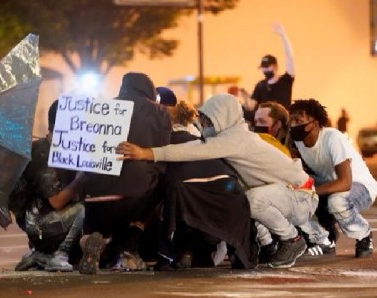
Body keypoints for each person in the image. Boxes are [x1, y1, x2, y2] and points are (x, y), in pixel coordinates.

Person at [118, 93, 318, 269]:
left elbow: (191, 150)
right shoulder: (233, 137)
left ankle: (292, 239)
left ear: (225, 118)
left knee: (251, 200)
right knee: (244, 198)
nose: (204, 125)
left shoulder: (235, 140)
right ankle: (268, 246)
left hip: (300, 195)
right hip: (288, 194)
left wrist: (146, 153)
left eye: (209, 120)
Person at [78, 72, 172, 274]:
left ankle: (93, 240)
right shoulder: (159, 112)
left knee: (100, 225)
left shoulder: (101, 109)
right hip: (135, 195)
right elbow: (162, 153)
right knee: (161, 187)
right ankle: (129, 249)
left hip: (95, 196)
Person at [155, 100, 255, 270]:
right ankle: (237, 253)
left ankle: (183, 252)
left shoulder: (162, 142)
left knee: (176, 207)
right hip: (228, 191)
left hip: (188, 193)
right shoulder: (205, 142)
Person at [288, 99, 377, 258]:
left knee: (336, 202)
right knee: (288, 193)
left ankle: (364, 235)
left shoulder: (332, 137)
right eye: (292, 120)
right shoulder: (297, 141)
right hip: (329, 184)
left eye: (299, 121)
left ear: (314, 123)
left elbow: (345, 182)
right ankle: (324, 240)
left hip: (359, 186)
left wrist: (311, 191)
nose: (293, 124)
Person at [9, 100, 85, 272]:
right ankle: (58, 254)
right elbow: (57, 202)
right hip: (39, 224)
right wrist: (82, 178)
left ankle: (40, 255)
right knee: (82, 209)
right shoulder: (42, 153)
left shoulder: (63, 150)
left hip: (48, 219)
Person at [253, 102, 334, 257]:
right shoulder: (261, 143)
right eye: (256, 122)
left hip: (309, 196)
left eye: (263, 122)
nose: (257, 126)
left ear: (278, 124)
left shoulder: (296, 144)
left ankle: (320, 239)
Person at [251, 23, 295, 110]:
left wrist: (284, 36)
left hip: (283, 122)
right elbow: (252, 106)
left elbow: (290, 57)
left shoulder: (285, 80)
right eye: (263, 67)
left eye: (267, 66)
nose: (265, 70)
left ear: (276, 66)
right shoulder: (260, 85)